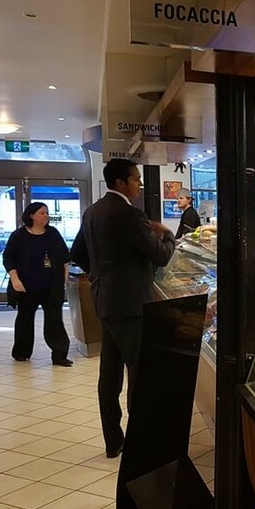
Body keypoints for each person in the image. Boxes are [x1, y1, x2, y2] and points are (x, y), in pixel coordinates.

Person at [71, 159, 176, 458]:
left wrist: (103, 273)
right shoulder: (130, 214)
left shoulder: (92, 212)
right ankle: (141, 442)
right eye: (136, 179)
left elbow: (77, 251)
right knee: (138, 373)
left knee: (110, 374)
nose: (139, 184)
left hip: (104, 300)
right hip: (131, 304)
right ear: (120, 182)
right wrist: (167, 234)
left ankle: (113, 441)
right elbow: (160, 256)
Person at [2, 202, 73, 366]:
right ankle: (21, 352)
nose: (46, 216)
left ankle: (59, 355)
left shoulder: (53, 234)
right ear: (31, 215)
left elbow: (64, 258)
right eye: (42, 213)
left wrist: (64, 278)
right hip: (27, 286)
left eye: (47, 213)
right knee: (24, 319)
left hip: (51, 286)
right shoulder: (19, 236)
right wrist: (15, 279)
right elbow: (8, 258)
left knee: (55, 321)